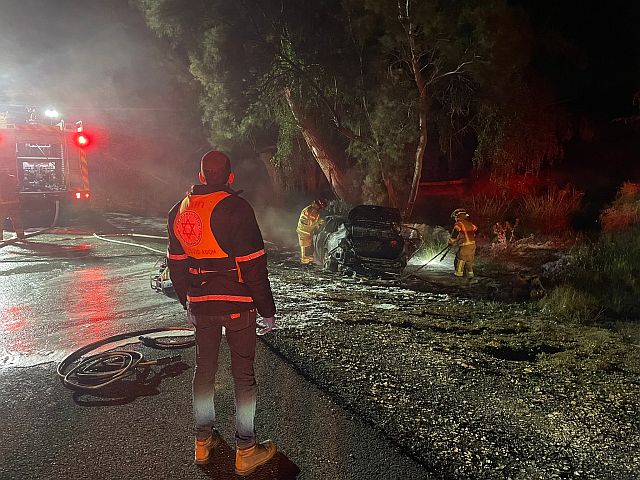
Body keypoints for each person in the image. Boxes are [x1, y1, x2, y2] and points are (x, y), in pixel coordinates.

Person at [166, 150, 277, 475]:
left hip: (201, 305)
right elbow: (254, 267)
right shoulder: (236, 208)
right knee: (243, 376)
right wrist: (267, 310)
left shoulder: (179, 210)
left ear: (201, 176)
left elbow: (176, 267)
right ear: (230, 178)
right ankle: (246, 449)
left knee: (204, 371)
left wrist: (188, 300)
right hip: (237, 305)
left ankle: (202, 442)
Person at [448, 208, 478, 278]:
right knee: (469, 262)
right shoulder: (470, 224)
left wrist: (450, 243)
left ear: (458, 216)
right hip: (472, 246)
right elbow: (474, 230)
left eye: (455, 217)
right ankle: (470, 276)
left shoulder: (458, 224)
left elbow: (454, 235)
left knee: (460, 260)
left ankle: (458, 277)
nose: (455, 219)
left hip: (465, 246)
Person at [296, 198, 327, 264]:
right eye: (320, 206)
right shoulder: (309, 210)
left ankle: (308, 262)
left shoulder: (314, 211)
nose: (320, 208)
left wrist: (319, 223)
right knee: (304, 247)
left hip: (308, 232)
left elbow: (314, 221)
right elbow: (308, 222)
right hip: (304, 231)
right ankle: (305, 263)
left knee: (308, 247)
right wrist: (318, 222)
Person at [0, 171, 25, 241]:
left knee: (0, 221)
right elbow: (18, 188)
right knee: (17, 220)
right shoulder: (13, 178)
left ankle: (0, 239)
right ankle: (21, 236)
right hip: (13, 202)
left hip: (3, 203)